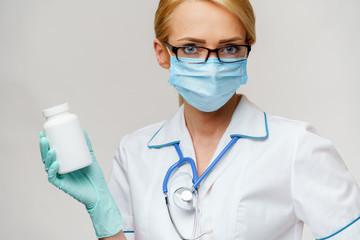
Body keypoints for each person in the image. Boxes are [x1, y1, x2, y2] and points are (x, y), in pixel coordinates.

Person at [39, 0, 360, 239]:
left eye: (229, 48)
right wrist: (104, 217)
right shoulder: (134, 152)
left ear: (248, 48)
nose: (212, 64)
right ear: (162, 53)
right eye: (191, 48)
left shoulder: (298, 147)